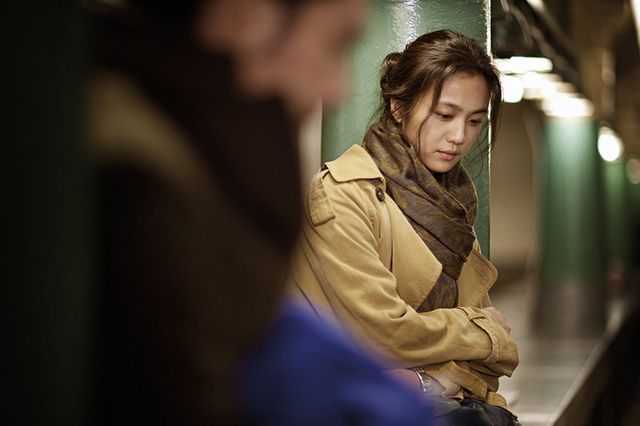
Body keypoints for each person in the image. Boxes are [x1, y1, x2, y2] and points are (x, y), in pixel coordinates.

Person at [88, 0, 435, 424]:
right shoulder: (140, 174)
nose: (338, 89)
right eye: (333, 45)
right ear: (243, 16)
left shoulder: (205, 154)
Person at [289, 29, 520, 425]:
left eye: (474, 121)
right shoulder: (342, 195)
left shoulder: (451, 204)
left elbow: (492, 364)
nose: (459, 136)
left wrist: (427, 378)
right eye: (444, 115)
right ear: (399, 107)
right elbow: (383, 334)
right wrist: (479, 331)